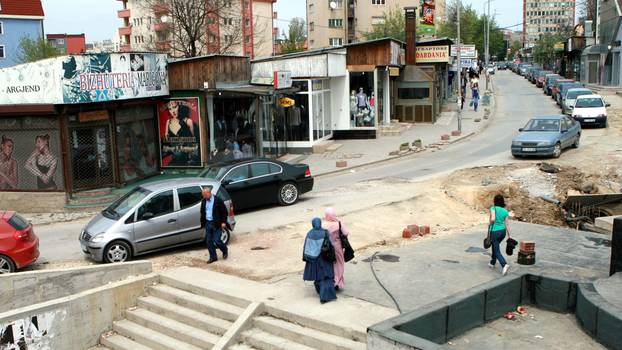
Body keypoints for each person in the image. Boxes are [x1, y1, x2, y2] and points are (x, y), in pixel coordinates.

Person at [303, 217, 337, 304]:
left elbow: (306, 247)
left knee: (318, 276)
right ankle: (324, 296)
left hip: (314, 259)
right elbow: (331, 244)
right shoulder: (325, 232)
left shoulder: (309, 233)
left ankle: (320, 290)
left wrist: (306, 258)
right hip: (324, 258)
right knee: (326, 276)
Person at [323, 207, 350, 290]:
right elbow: (346, 233)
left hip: (327, 248)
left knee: (329, 264)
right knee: (339, 264)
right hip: (338, 247)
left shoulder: (323, 224)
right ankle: (337, 282)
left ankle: (331, 281)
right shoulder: (339, 224)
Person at [200, 187, 229, 264]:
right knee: (209, 241)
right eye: (203, 195)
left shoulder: (218, 200)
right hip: (208, 223)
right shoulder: (203, 201)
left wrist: (223, 222)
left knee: (217, 240)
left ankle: (225, 250)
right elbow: (202, 213)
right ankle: (213, 257)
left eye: (205, 195)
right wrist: (203, 223)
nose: (204, 197)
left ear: (209, 193)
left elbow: (224, 212)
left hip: (216, 223)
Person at [489, 194, 511, 275]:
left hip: (495, 231)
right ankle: (492, 262)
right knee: (495, 246)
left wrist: (490, 223)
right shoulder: (505, 211)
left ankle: (504, 264)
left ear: (495, 201)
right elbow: (507, 224)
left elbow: (493, 219)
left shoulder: (493, 208)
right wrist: (509, 235)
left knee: (496, 250)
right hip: (503, 232)